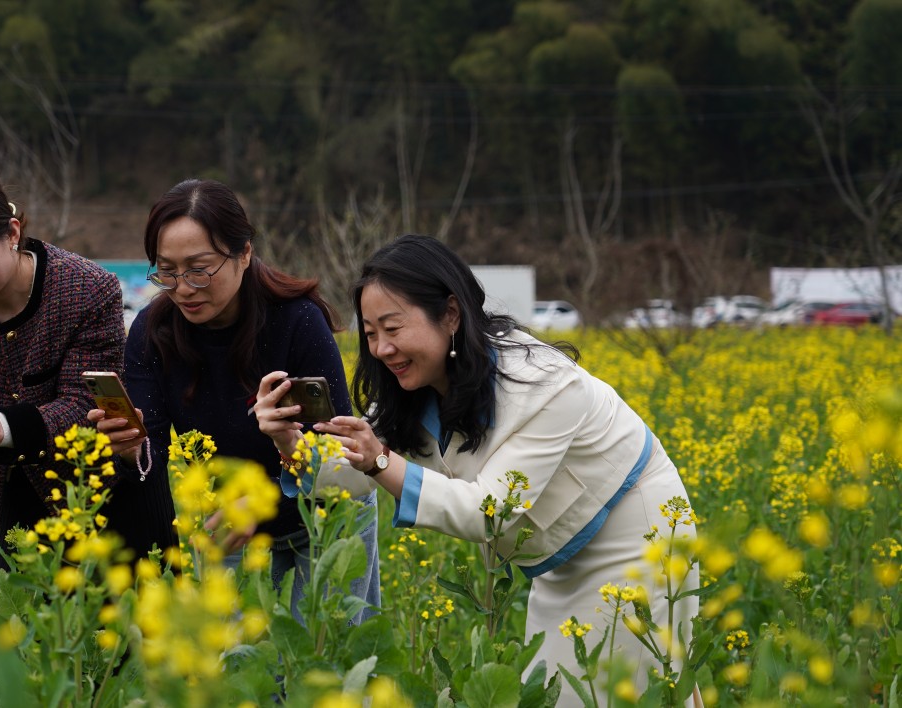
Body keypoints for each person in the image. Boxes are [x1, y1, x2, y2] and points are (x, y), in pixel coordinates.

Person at [310, 234, 698, 700]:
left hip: (635, 538)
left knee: (612, 692)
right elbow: (355, 471)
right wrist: (290, 443)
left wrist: (380, 461)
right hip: (556, 557)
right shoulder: (413, 386)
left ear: (450, 314)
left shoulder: (545, 384)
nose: (380, 349)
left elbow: (488, 512)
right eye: (370, 333)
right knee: (558, 691)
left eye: (392, 328)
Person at [90, 178, 381, 623]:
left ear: (244, 253)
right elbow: (151, 453)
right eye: (166, 270)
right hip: (228, 519)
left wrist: (263, 501)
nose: (182, 287)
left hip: (324, 510)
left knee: (325, 666)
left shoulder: (297, 321)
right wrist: (131, 452)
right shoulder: (152, 332)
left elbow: (338, 458)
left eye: (199, 268)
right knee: (231, 673)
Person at [0, 167, 178, 605]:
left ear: (11, 232)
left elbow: (87, 404)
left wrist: (7, 426)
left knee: (122, 663)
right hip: (14, 517)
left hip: (107, 505)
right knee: (18, 665)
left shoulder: (86, 289)